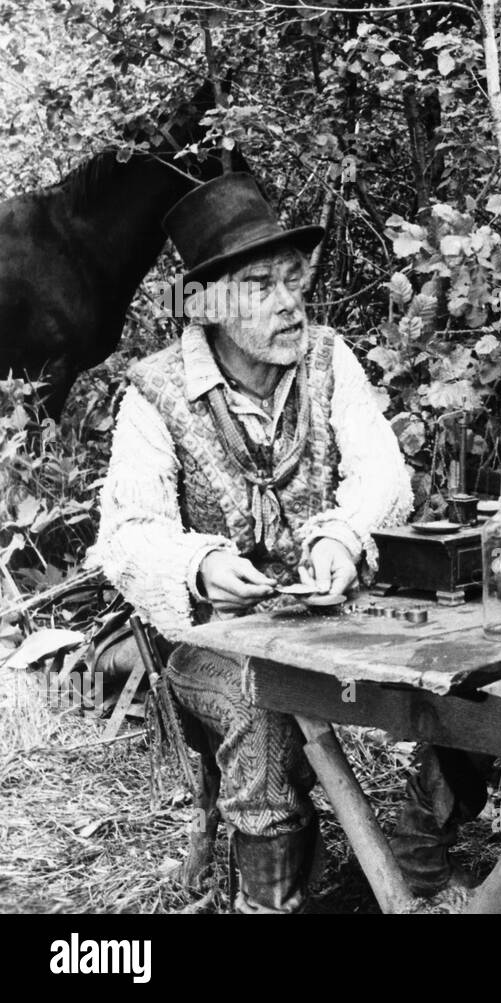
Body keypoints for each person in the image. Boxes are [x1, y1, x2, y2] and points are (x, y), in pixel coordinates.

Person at [89, 173, 479, 911]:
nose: (289, 302)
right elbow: (126, 533)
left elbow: (384, 476)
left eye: (292, 280)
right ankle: (272, 898)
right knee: (258, 707)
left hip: (337, 624)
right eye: (261, 285)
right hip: (216, 638)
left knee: (449, 668)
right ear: (209, 305)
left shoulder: (331, 361)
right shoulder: (155, 391)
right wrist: (199, 564)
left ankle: (419, 866)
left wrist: (343, 535)